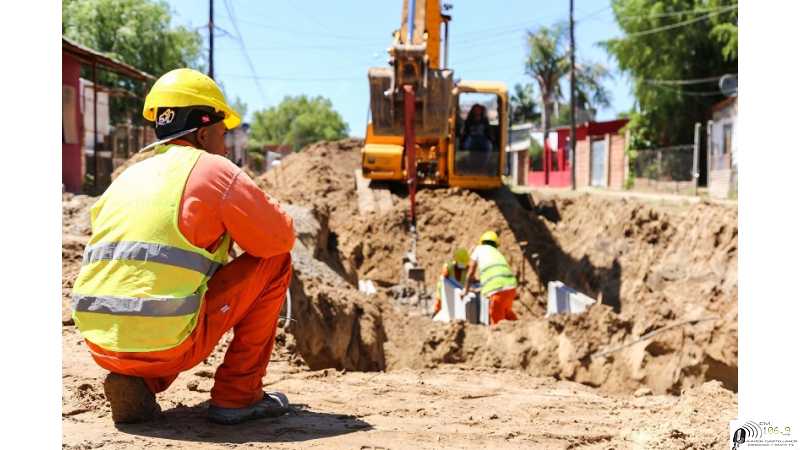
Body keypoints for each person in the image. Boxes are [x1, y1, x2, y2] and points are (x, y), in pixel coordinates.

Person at [71, 68, 296, 425]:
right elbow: (279, 238)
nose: (226, 145)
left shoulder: (128, 177)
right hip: (168, 345)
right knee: (276, 261)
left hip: (101, 343)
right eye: (223, 133)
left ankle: (140, 380)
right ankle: (239, 396)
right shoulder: (214, 170)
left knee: (168, 287)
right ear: (203, 134)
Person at [465, 231, 519, 325]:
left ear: (481, 242)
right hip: (511, 287)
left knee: (497, 324)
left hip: (497, 290)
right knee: (506, 312)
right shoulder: (497, 253)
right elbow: (496, 274)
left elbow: (470, 272)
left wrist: (465, 290)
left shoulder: (478, 249)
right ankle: (521, 328)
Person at [432, 248, 470, 317]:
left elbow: (471, 279)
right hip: (446, 290)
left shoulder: (467, 268)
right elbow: (443, 278)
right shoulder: (449, 266)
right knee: (439, 304)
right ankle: (435, 313)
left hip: (459, 291)